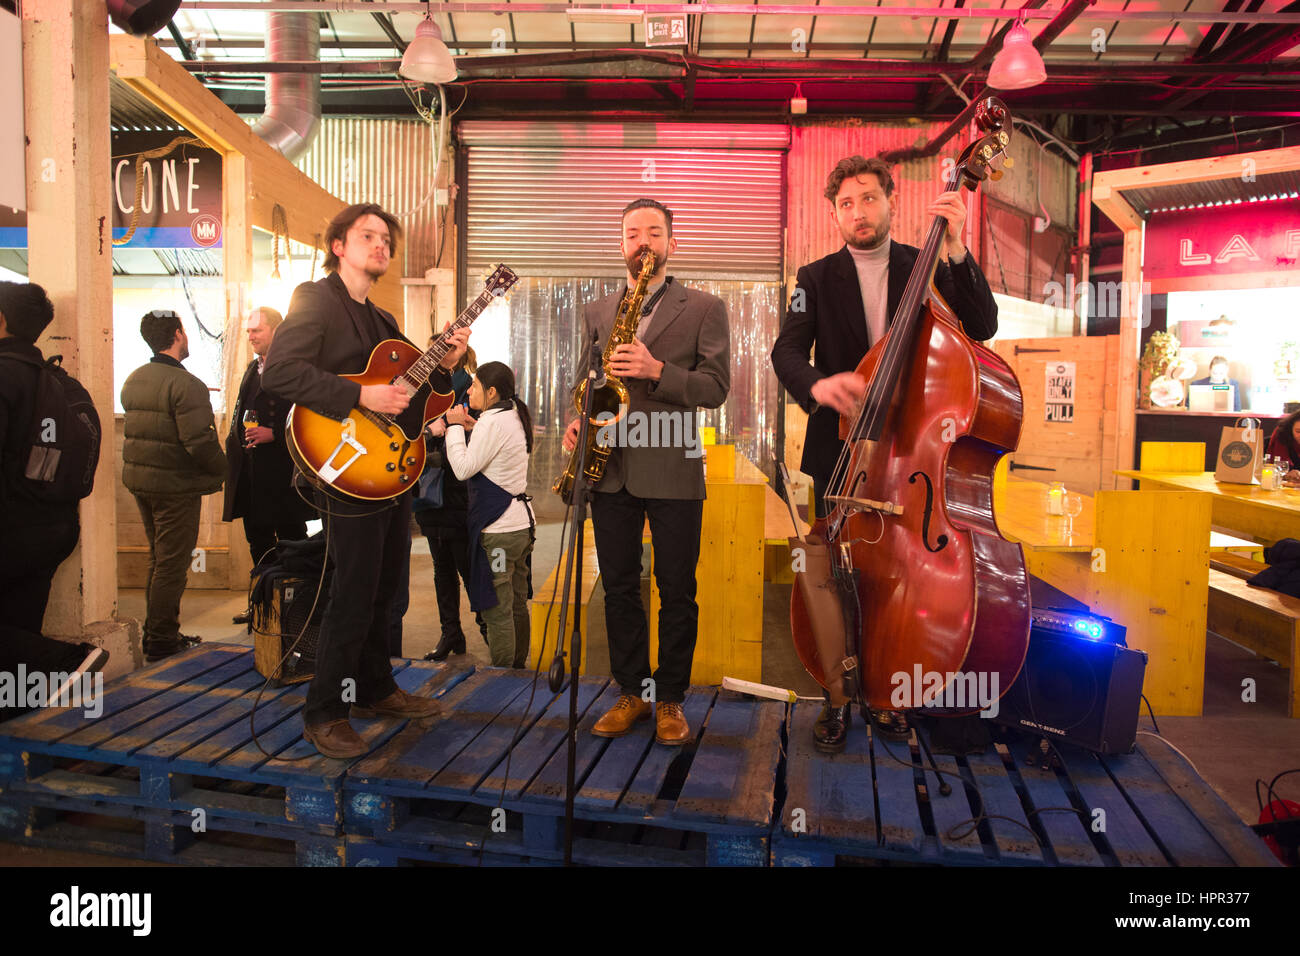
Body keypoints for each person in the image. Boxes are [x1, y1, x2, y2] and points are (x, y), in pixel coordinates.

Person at [770, 155, 999, 752]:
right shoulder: (813, 279)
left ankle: (895, 686)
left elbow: (983, 325)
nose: (857, 212)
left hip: (914, 451)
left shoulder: (925, 264)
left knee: (899, 575)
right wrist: (819, 386)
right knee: (831, 569)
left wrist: (956, 251)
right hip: (843, 450)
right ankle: (839, 695)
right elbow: (786, 352)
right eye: (846, 203)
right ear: (835, 214)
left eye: (868, 198)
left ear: (890, 201)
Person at [261, 202, 470, 760]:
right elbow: (279, 372)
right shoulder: (314, 299)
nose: (380, 245)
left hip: (386, 473)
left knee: (386, 590)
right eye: (367, 236)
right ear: (338, 245)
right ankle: (324, 711)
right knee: (351, 590)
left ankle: (376, 689)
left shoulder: (383, 323)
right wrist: (358, 394)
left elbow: (411, 407)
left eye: (386, 239)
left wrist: (445, 365)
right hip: (341, 465)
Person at [561, 198, 731, 746]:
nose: (642, 241)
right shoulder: (597, 310)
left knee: (676, 588)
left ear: (671, 244)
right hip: (609, 468)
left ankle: (672, 699)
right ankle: (632, 690)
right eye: (632, 233)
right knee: (617, 587)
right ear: (621, 245)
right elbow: (583, 381)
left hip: (674, 464)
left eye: (653, 232)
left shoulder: (705, 307)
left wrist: (658, 371)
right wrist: (575, 419)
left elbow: (716, 387)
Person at [0, 281, 108, 685]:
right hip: (54, 529)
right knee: (19, 628)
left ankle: (67, 659)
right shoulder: (56, 380)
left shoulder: (5, 376)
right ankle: (20, 728)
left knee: (22, 640)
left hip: (11, 529)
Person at [120, 310, 228, 661]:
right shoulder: (187, 385)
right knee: (172, 564)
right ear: (179, 334)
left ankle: (158, 633)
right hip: (175, 489)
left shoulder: (134, 379)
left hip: (142, 484)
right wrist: (226, 469)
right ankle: (162, 640)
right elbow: (199, 442)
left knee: (159, 558)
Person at [222, 307, 313, 625]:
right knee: (257, 541)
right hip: (252, 475)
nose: (250, 337)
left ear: (276, 330)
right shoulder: (251, 368)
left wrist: (273, 433)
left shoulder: (295, 369)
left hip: (284, 475)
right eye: (248, 332)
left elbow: (308, 417)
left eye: (256, 331)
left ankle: (295, 611)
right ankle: (261, 606)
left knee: (293, 540)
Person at [443, 361, 536, 668]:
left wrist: (455, 427)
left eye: (475, 385)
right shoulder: (513, 414)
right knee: (518, 604)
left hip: (499, 534)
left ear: (492, 391)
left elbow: (462, 469)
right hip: (522, 528)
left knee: (497, 609)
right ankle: (519, 672)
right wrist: (473, 428)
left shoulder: (491, 423)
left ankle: (502, 682)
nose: (469, 391)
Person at [415, 345, 488, 661]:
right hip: (430, 494)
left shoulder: (468, 388)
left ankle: (492, 634)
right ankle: (451, 633)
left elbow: (476, 438)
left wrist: (438, 433)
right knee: (441, 567)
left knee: (470, 568)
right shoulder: (423, 393)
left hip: (459, 492)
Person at [1266, 408, 1300, 477]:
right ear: (1290, 429)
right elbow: (1278, 466)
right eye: (1298, 431)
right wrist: (1288, 473)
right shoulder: (1281, 434)